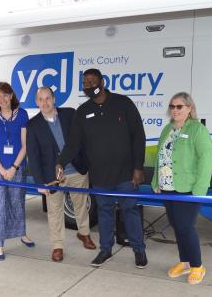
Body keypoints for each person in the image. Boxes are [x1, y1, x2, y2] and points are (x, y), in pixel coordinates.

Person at [56, 68, 148, 268]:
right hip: (100, 176)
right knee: (104, 213)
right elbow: (73, 144)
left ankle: (139, 251)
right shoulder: (83, 111)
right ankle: (105, 250)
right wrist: (61, 162)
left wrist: (138, 167)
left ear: (102, 82)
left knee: (129, 211)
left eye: (92, 82)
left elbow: (138, 136)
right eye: (85, 84)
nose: (89, 86)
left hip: (126, 174)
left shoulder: (123, 104)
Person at [26, 86, 96, 262]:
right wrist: (40, 182)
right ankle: (57, 246)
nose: (45, 102)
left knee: (81, 206)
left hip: (76, 170)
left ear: (54, 99)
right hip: (51, 178)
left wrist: (88, 162)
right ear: (36, 102)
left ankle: (84, 234)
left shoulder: (69, 115)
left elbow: (84, 139)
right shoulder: (33, 125)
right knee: (55, 211)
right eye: (40, 99)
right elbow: (33, 157)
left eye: (48, 98)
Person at [151, 92, 212, 285]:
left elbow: (206, 159)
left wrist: (199, 189)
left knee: (186, 227)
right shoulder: (167, 129)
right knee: (177, 226)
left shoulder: (197, 129)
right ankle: (185, 262)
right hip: (167, 187)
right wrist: (156, 181)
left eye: (179, 106)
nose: (175, 110)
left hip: (188, 189)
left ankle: (197, 266)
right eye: (172, 106)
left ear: (189, 108)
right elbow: (160, 158)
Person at [0, 82, 35, 261]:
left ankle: (22, 233)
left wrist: (13, 168)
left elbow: (25, 145)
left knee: (17, 202)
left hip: (17, 166)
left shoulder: (22, 114)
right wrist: (2, 170)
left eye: (5, 95)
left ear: (11, 95)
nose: (2, 99)